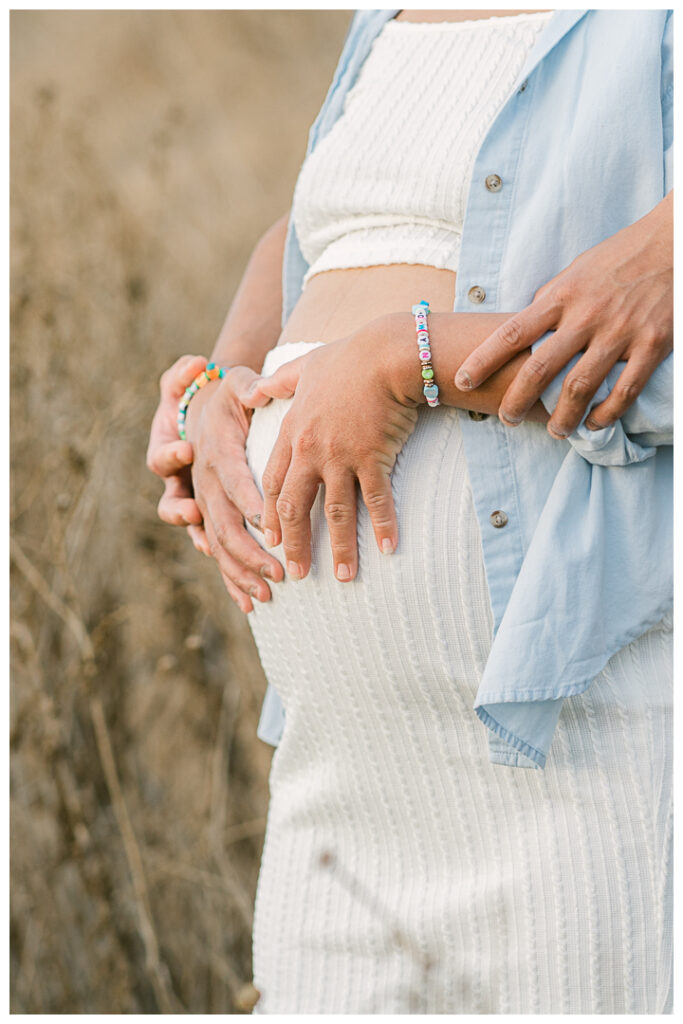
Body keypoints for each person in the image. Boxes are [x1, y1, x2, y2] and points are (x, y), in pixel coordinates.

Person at [147, 8, 673, 1013]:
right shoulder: (384, 18)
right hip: (340, 772)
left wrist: (409, 358)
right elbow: (326, 226)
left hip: (579, 740)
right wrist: (220, 382)